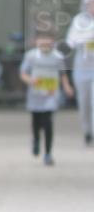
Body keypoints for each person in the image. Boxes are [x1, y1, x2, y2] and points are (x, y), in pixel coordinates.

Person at [19, 30, 73, 166]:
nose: (44, 42)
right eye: (41, 39)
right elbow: (23, 73)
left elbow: (63, 74)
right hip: (35, 94)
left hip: (51, 93)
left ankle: (48, 153)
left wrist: (66, 87)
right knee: (36, 121)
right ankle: (36, 139)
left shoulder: (58, 57)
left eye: (47, 39)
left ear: (53, 41)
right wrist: (31, 80)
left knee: (48, 122)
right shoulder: (31, 56)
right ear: (36, 41)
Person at [65, 0, 94, 145]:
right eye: (90, 3)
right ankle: (87, 131)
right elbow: (70, 41)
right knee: (84, 102)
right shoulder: (79, 21)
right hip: (82, 68)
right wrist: (83, 39)